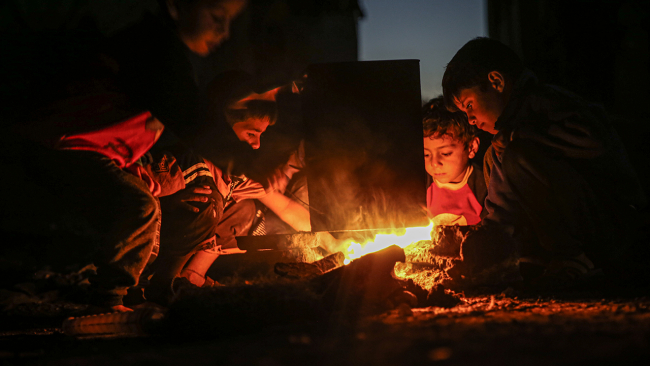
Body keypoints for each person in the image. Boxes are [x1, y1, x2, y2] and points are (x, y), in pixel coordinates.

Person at [441, 37, 646, 287]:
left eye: (469, 105)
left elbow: (596, 142)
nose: (470, 119)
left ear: (496, 82)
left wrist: (523, 136)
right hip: (583, 233)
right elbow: (501, 213)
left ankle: (574, 258)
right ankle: (538, 259)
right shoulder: (498, 148)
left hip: (615, 229)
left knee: (519, 157)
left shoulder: (546, 102)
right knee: (506, 158)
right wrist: (480, 243)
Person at [142, 76, 311, 302]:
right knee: (208, 201)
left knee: (243, 210)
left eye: (260, 136)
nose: (256, 145)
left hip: (182, 236)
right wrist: (167, 203)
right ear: (224, 128)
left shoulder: (235, 174)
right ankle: (161, 284)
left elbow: (286, 208)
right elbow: (142, 187)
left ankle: (189, 276)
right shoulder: (192, 161)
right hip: (155, 236)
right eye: (251, 134)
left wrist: (334, 241)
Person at [422, 96, 486, 227]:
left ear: (471, 147)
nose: (434, 163)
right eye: (426, 154)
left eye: (445, 153)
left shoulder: (484, 186)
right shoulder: (420, 185)